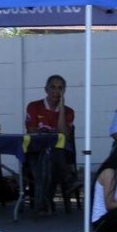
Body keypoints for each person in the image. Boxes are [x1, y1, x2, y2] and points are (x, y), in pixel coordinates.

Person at [25, 74, 77, 214]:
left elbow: (64, 134)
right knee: (47, 156)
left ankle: (43, 203)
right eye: (53, 87)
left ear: (64, 91)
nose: (56, 91)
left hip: (58, 153)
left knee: (52, 153)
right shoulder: (34, 106)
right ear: (46, 89)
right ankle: (68, 179)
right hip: (36, 149)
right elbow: (31, 130)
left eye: (60, 88)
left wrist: (60, 110)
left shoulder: (69, 111)